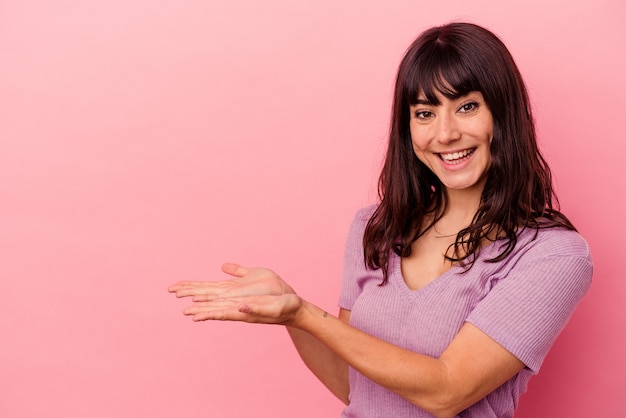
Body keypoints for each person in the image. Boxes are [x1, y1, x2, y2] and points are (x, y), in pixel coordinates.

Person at [168, 22, 593, 418]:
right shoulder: (376, 226)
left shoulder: (552, 255)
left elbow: (448, 391)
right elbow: (353, 386)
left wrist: (304, 314)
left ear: (504, 113)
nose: (444, 134)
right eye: (424, 113)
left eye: (466, 107)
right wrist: (287, 314)